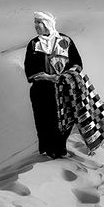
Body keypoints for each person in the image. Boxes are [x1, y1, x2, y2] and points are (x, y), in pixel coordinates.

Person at [24, 11, 83, 159]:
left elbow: (76, 63)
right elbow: (30, 69)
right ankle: (49, 152)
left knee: (65, 120)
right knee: (45, 121)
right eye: (35, 22)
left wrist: (67, 75)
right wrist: (48, 77)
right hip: (42, 90)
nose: (36, 25)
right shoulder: (34, 44)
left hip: (64, 89)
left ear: (48, 24)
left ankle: (60, 149)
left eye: (40, 22)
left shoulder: (65, 40)